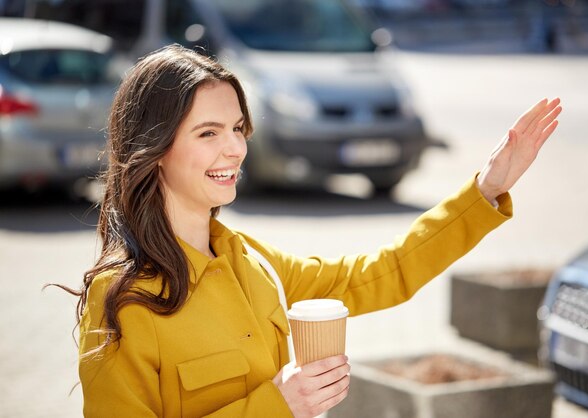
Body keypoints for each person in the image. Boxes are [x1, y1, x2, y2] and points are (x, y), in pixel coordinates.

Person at [74, 44, 561, 418]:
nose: (235, 150)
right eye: (208, 133)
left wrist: (486, 190)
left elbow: (383, 273)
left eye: (238, 128)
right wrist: (277, 406)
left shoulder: (252, 260)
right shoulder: (121, 298)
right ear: (154, 148)